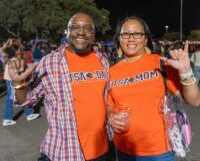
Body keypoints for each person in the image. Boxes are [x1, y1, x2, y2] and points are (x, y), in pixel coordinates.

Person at [8, 13, 110, 161]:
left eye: (87, 28)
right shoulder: (50, 62)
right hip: (64, 152)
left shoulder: (103, 60)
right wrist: (18, 83)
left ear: (93, 34)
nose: (81, 32)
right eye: (75, 27)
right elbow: (26, 100)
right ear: (67, 31)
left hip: (100, 151)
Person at [107, 15, 200, 161]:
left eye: (137, 34)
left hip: (160, 152)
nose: (131, 38)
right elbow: (110, 105)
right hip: (124, 149)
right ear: (119, 38)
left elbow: (195, 100)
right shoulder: (112, 71)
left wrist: (186, 70)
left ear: (146, 39)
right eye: (125, 34)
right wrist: (111, 116)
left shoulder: (161, 63)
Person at [2, 45, 39, 126]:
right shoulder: (15, 59)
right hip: (14, 81)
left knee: (18, 97)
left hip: (11, 80)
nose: (21, 50)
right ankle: (8, 119)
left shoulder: (10, 58)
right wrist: (30, 67)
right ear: (15, 51)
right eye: (19, 49)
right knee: (14, 98)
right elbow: (19, 72)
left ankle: (29, 113)